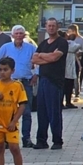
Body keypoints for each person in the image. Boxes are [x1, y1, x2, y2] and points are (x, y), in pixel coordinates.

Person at [0, 25, 37, 148]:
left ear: (24, 35)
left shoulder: (31, 48)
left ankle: (26, 138)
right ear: (12, 36)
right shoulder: (6, 47)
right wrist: (0, 75)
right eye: (16, 33)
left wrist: (36, 75)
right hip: (9, 83)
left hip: (25, 83)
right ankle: (8, 139)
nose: (18, 36)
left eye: (21, 33)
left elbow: (38, 61)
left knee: (27, 111)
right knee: (8, 111)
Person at [31, 18, 68, 149]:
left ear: (57, 27)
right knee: (42, 112)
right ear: (45, 27)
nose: (51, 28)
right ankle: (41, 140)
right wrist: (47, 57)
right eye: (49, 26)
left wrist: (44, 57)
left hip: (55, 81)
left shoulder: (62, 42)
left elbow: (55, 57)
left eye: (53, 26)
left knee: (54, 112)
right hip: (43, 80)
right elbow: (34, 59)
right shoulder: (43, 43)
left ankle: (57, 141)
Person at [63, 25, 83, 108]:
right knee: (68, 83)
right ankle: (67, 101)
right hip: (69, 65)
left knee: (70, 82)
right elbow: (77, 47)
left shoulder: (74, 42)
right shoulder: (69, 44)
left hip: (70, 65)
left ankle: (69, 100)